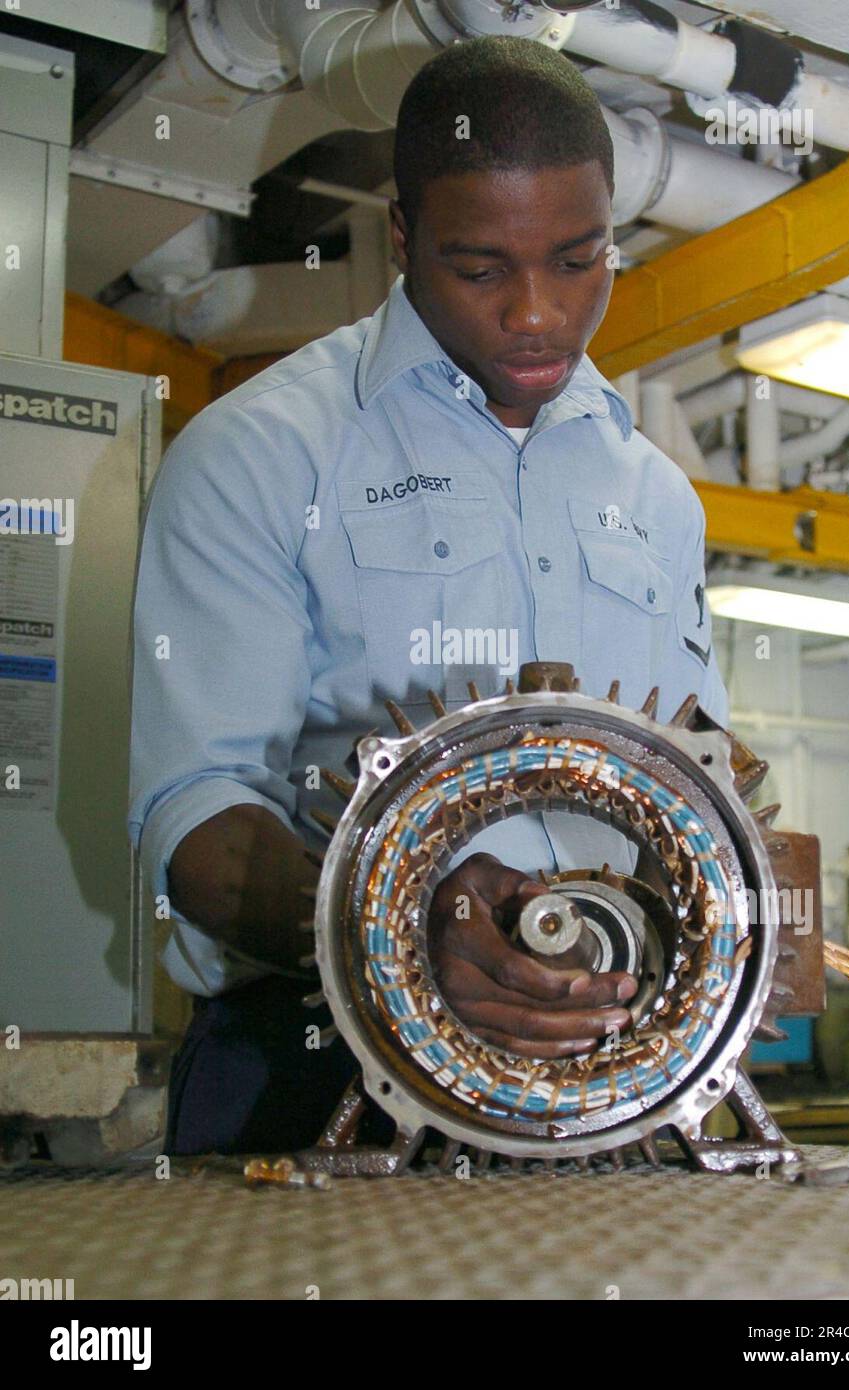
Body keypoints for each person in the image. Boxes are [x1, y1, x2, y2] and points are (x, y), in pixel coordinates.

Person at [128, 35, 728, 1156]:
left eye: (579, 256)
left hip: (612, 1082)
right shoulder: (261, 454)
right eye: (482, 268)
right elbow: (196, 819)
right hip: (311, 1075)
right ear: (402, 237)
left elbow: (699, 768)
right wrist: (402, 930)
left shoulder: (655, 496)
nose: (540, 314)